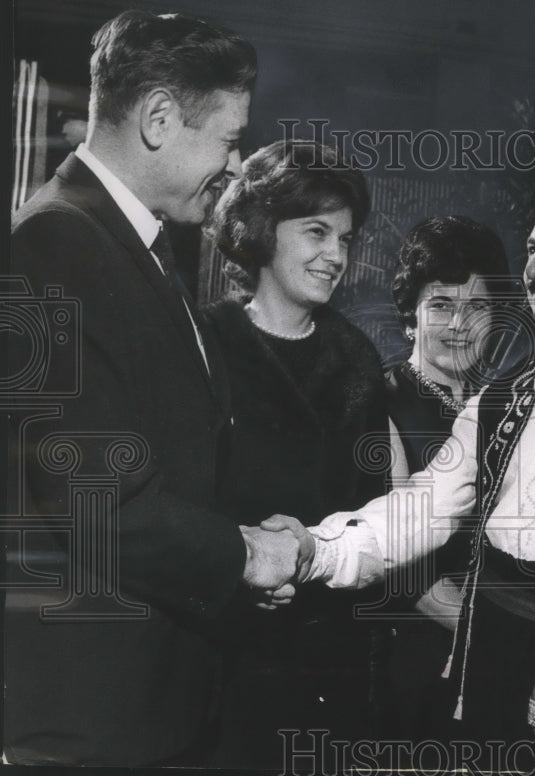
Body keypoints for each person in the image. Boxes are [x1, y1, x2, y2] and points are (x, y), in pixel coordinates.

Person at [5, 10, 298, 767]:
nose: (236, 164)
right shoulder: (54, 243)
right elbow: (94, 497)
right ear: (160, 119)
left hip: (147, 708)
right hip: (91, 723)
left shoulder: (129, 241)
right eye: (229, 140)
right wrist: (242, 555)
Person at [262, 177, 535, 760]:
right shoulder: (502, 397)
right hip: (488, 651)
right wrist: (313, 549)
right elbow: (420, 509)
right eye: (533, 248)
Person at [202, 138, 390, 769]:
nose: (337, 255)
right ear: (261, 230)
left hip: (326, 657)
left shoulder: (358, 359)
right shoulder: (207, 343)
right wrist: (237, 569)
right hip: (219, 653)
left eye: (346, 238)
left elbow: (373, 515)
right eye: (317, 232)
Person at [381, 215, 515, 742]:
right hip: (416, 659)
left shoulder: (502, 406)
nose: (460, 323)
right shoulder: (381, 404)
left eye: (477, 306)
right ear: (410, 316)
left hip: (488, 650)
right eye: (440, 304)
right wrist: (498, 636)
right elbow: (400, 570)